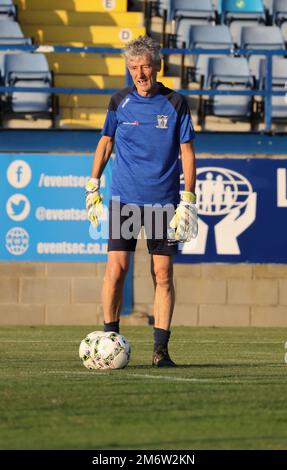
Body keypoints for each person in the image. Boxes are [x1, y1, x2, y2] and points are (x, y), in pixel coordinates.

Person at [85, 35, 198, 367]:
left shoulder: (176, 103)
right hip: (124, 200)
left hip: (163, 203)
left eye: (145, 66)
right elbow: (105, 143)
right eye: (133, 67)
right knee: (115, 270)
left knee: (162, 274)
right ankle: (110, 341)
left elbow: (187, 154)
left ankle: (160, 351)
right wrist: (93, 185)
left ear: (157, 66)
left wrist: (189, 199)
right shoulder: (119, 102)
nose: (140, 73)